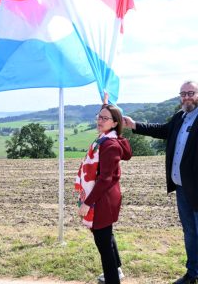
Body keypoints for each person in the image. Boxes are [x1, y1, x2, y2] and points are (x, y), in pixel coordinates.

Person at [123, 81, 198, 284]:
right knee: (191, 234)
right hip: (184, 190)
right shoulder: (180, 117)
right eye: (182, 94)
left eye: (191, 93)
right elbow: (163, 130)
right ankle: (192, 274)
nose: (186, 97)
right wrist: (134, 125)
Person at [75, 96, 132, 284]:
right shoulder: (109, 138)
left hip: (102, 199)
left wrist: (87, 203)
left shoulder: (109, 145)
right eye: (99, 117)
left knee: (103, 242)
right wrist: (105, 102)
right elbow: (109, 116)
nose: (100, 121)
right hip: (106, 196)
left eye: (105, 118)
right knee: (107, 235)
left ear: (115, 123)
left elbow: (105, 178)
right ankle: (117, 271)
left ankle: (112, 279)